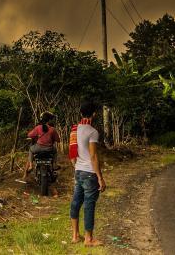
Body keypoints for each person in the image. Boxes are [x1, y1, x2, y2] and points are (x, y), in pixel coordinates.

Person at [69, 101, 105, 247]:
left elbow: (72, 154)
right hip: (90, 173)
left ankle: (75, 235)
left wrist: (76, 168)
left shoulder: (74, 130)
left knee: (76, 203)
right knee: (89, 205)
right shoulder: (92, 131)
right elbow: (93, 156)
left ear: (81, 113)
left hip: (78, 171)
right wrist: (100, 177)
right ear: (94, 114)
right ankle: (89, 239)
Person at [24, 111, 60, 179]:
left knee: (31, 149)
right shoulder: (52, 129)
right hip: (49, 149)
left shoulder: (38, 127)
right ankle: (55, 164)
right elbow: (58, 140)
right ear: (49, 120)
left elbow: (29, 135)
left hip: (38, 148)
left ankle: (31, 166)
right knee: (55, 150)